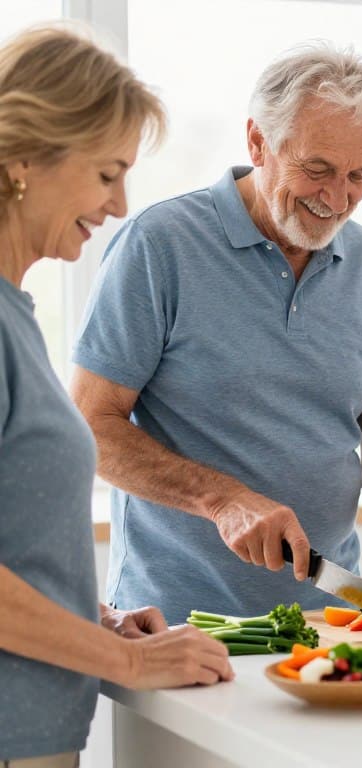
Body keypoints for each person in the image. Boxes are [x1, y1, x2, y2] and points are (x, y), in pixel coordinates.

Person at [69, 43, 362, 625]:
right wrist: (221, 499)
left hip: (331, 623)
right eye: (317, 170)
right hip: (174, 625)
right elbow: (90, 428)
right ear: (258, 141)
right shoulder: (159, 246)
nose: (337, 199)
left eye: (358, 175)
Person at [0, 25, 233, 766]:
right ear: (26, 159)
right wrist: (130, 666)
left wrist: (96, 623)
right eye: (107, 174)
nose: (120, 202)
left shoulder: (16, 315)